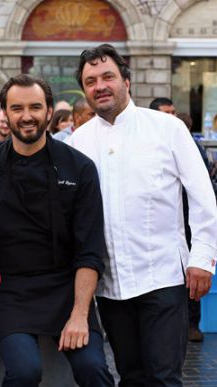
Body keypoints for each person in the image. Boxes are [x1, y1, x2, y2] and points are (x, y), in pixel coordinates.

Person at [68, 43, 217, 386]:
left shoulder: (168, 129)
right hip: (111, 285)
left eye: (108, 76)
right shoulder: (79, 142)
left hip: (162, 276)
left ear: (126, 81)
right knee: (131, 376)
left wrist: (203, 258)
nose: (100, 86)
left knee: (164, 376)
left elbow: (202, 196)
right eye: (91, 81)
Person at [0, 74, 114, 387]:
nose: (27, 116)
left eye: (35, 107)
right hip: (6, 291)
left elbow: (90, 252)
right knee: (25, 371)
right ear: (5, 114)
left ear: (49, 111)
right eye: (17, 108)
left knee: (94, 370)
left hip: (66, 291)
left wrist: (79, 315)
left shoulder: (79, 167)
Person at [153, 104, 212, 343]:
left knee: (191, 274)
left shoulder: (189, 143)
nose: (172, 118)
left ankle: (191, 324)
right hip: (161, 227)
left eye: (173, 113)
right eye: (166, 113)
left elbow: (202, 189)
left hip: (187, 221)